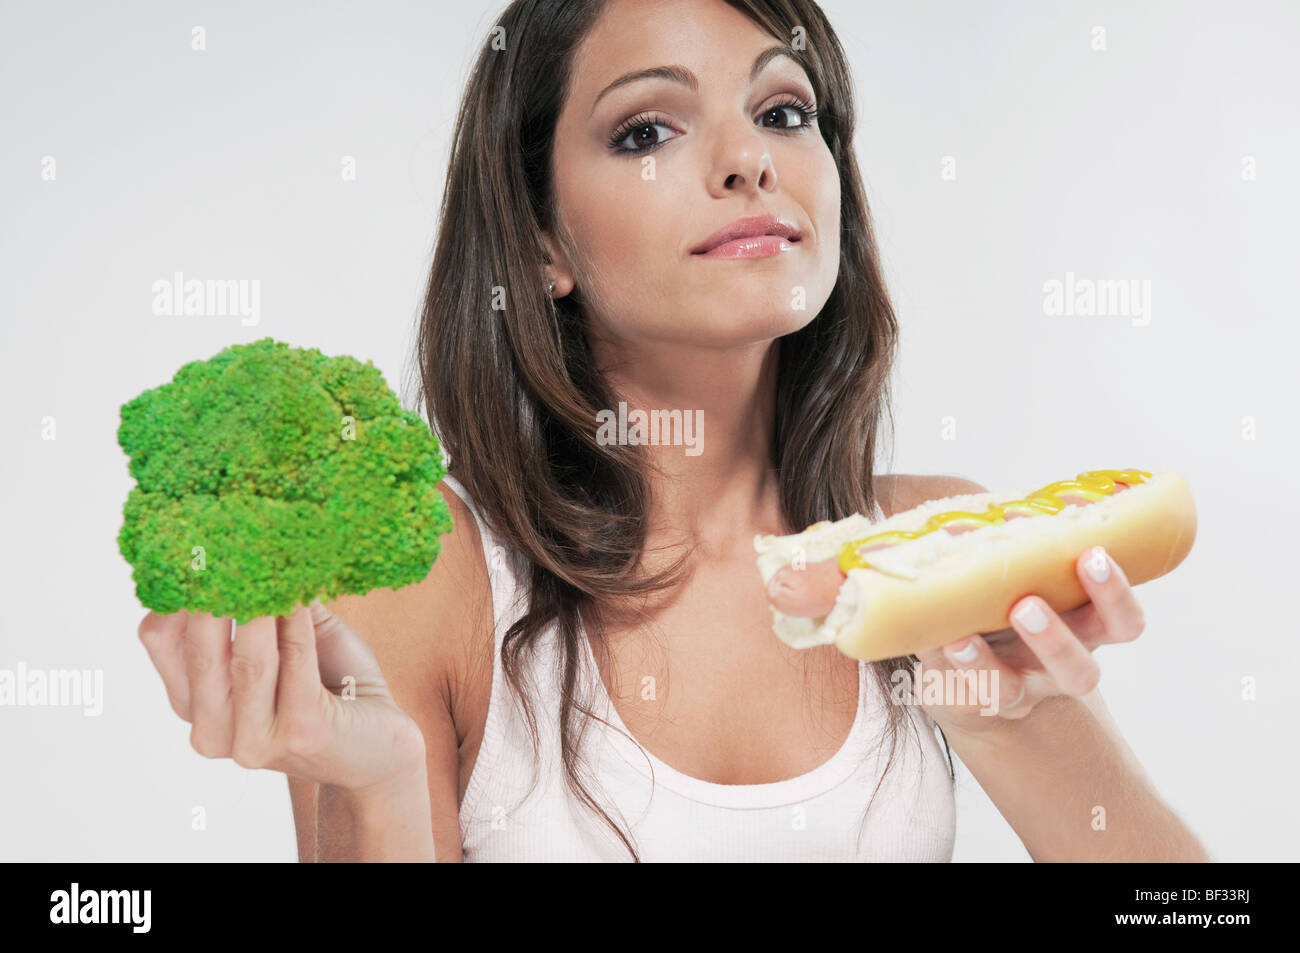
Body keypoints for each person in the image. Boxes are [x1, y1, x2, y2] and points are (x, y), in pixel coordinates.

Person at [137, 0, 1210, 862]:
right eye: (647, 130)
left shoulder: (933, 540)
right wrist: (370, 789)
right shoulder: (430, 573)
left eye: (785, 112)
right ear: (543, 242)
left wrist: (1000, 716)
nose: (750, 161)